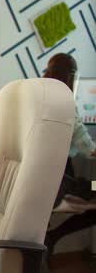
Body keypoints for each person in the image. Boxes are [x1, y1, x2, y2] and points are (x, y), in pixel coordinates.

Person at [42, 53, 96, 260]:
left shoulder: (39, 98)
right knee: (94, 186)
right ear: (71, 77)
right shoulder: (66, 105)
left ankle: (52, 237)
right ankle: (54, 236)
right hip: (64, 185)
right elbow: (89, 150)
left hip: (41, 182)